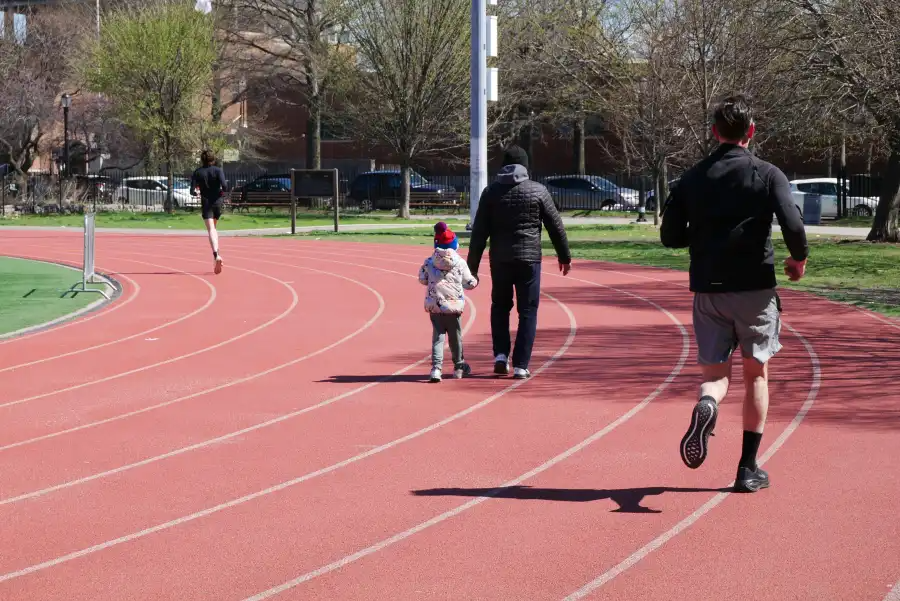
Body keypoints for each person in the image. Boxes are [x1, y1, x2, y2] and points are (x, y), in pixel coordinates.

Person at [660, 94, 809, 493]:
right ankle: (747, 468)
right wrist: (798, 260)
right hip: (754, 289)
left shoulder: (691, 177)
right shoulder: (767, 173)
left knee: (714, 375)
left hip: (709, 287)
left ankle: (708, 404)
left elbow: (669, 236)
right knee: (756, 374)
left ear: (714, 132)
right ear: (751, 131)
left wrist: (706, 235)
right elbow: (793, 224)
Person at [466, 145, 571, 380]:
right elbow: (556, 227)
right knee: (527, 311)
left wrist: (471, 268)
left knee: (500, 307)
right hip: (529, 259)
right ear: (526, 165)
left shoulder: (491, 192)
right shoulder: (538, 191)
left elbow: (479, 233)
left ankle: (501, 356)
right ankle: (521, 365)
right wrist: (564, 257)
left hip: (500, 260)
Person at [418, 222, 479, 383]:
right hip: (453, 307)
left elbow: (422, 279)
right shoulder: (459, 262)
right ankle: (459, 366)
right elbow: (470, 282)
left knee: (438, 337)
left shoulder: (429, 262)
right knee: (455, 337)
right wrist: (474, 281)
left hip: (435, 306)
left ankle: (436, 369)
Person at [190, 150, 228, 274]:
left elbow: (192, 190)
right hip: (217, 202)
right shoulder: (218, 170)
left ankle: (216, 254)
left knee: (211, 229)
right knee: (214, 229)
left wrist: (196, 192)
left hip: (206, 203)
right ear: (213, 159)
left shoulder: (197, 172)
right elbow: (225, 186)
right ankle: (216, 255)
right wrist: (221, 193)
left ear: (202, 159)